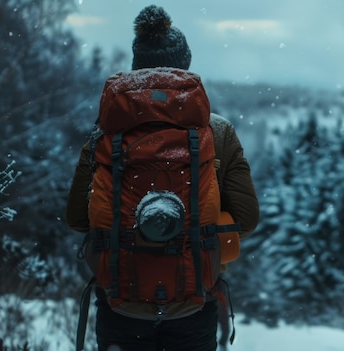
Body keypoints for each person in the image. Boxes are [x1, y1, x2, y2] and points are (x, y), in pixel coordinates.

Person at [65, 5, 259, 351]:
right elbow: (246, 219)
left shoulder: (106, 135)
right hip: (193, 304)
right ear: (184, 66)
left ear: (137, 64)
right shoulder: (217, 132)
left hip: (119, 303)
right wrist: (196, 234)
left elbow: (78, 219)